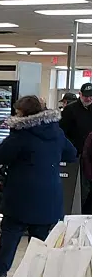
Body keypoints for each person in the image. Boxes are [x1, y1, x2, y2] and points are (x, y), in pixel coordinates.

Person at [0, 96, 78, 277]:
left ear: (23, 113)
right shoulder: (56, 132)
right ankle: (40, 275)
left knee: (11, 231)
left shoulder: (21, 134)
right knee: (41, 238)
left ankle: (0, 270)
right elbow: (71, 154)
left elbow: (0, 156)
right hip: (50, 192)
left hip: (21, 192)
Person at [60, 83, 91, 214]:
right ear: (80, 94)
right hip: (77, 157)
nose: (88, 99)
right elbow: (62, 133)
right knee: (81, 191)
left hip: (90, 156)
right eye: (85, 96)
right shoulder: (70, 110)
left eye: (91, 96)